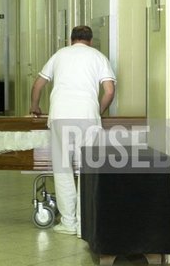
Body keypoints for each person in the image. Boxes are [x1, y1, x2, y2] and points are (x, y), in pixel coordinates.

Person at [30, 25, 116, 236]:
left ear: (70, 40)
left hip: (60, 115)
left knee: (63, 170)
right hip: (87, 116)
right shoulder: (98, 57)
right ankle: (85, 225)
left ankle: (68, 223)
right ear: (91, 41)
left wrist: (35, 106)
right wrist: (99, 109)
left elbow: (38, 84)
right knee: (87, 170)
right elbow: (109, 91)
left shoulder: (59, 55)